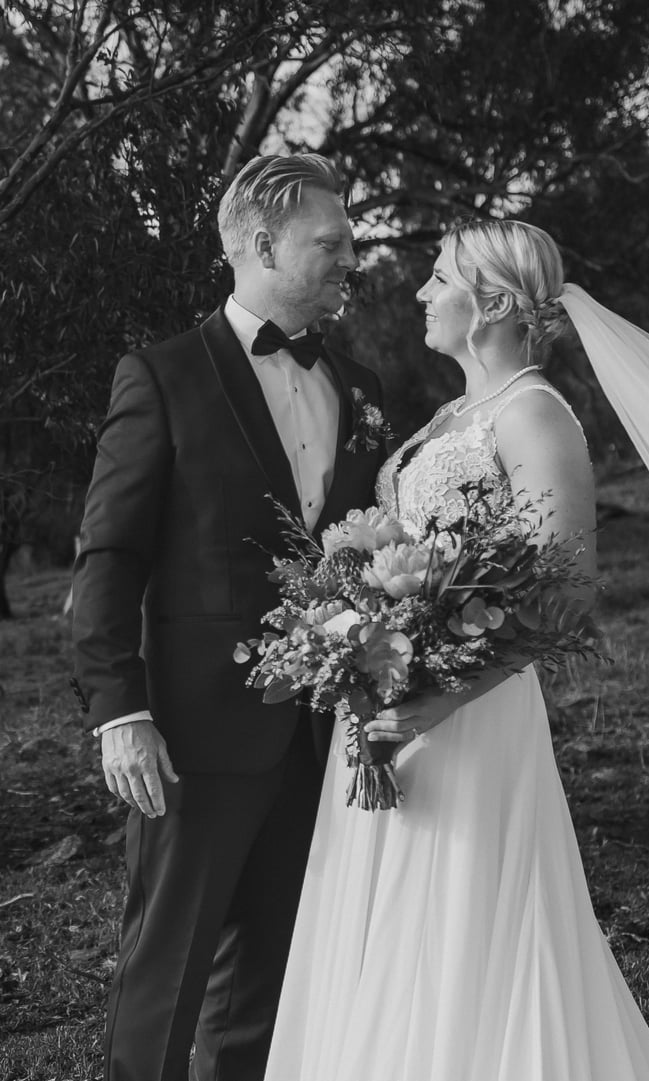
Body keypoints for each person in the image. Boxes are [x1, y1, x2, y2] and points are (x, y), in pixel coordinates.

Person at [263, 216, 649, 1080]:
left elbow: (567, 596)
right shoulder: (451, 414)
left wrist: (440, 696)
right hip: (398, 704)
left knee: (464, 916)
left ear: (492, 303)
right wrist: (360, 639)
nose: (421, 291)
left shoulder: (535, 415)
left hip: (472, 714)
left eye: (438, 278)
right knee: (394, 921)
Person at [70, 153, 387, 1081]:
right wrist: (120, 711)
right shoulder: (161, 376)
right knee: (165, 972)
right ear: (261, 244)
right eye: (331, 242)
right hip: (193, 736)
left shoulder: (361, 385)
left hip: (321, 735)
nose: (351, 258)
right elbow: (108, 556)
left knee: (268, 978)